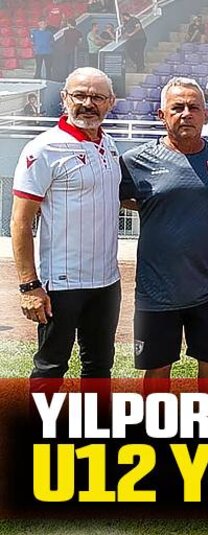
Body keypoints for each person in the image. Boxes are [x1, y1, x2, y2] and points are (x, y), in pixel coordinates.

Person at [119, 77, 208, 391]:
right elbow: (111, 195)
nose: (186, 114)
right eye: (177, 107)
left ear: (206, 115)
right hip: (156, 290)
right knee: (157, 369)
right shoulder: (134, 161)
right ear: (162, 115)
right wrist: (151, 205)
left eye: (193, 107)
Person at [12, 67, 121, 390]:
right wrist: (29, 286)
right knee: (50, 367)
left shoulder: (110, 145)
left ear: (111, 102)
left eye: (97, 97)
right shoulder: (43, 148)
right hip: (61, 283)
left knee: (99, 366)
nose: (88, 104)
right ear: (64, 98)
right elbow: (20, 221)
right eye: (80, 95)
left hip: (106, 281)